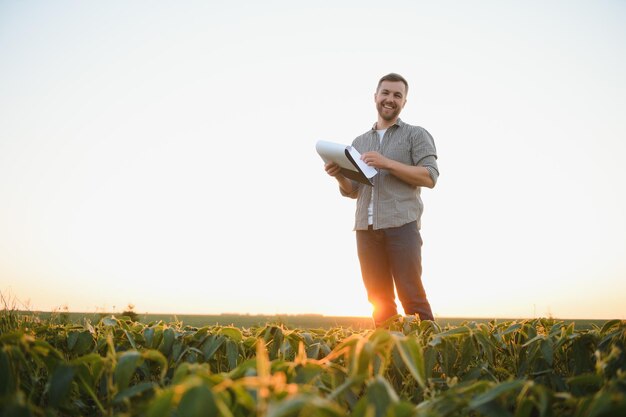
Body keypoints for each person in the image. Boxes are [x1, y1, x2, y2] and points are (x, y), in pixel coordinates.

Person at [324, 73, 438, 326]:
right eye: (385, 93)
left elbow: (430, 177)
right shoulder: (359, 142)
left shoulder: (416, 135)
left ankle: (430, 359)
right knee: (379, 301)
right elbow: (353, 190)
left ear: (404, 102)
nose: (390, 99)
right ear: (375, 97)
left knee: (412, 298)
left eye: (397, 95)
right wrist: (339, 176)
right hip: (365, 229)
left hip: (402, 226)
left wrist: (387, 163)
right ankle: (389, 360)